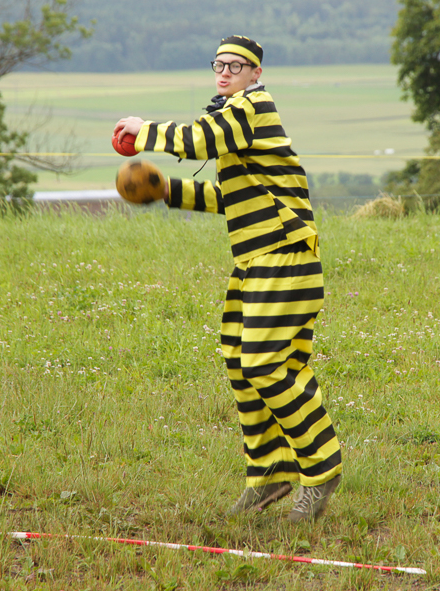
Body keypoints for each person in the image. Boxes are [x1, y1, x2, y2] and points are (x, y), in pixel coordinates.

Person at [113, 36, 342, 522]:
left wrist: (144, 130)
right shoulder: (233, 119)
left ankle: (322, 471)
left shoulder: (251, 108)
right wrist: (165, 189)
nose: (224, 72)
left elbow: (200, 140)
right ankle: (270, 473)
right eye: (219, 64)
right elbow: (229, 198)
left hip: (284, 255)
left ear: (255, 74)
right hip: (255, 261)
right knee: (241, 364)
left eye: (236, 66)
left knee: (264, 364)